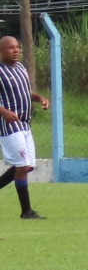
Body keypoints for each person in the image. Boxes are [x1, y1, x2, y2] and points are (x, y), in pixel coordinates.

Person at [0, 36, 49, 220]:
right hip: (10, 126)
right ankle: (26, 211)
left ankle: (26, 211)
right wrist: (4, 111)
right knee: (22, 165)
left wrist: (39, 98)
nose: (16, 51)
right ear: (1, 51)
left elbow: (25, 91)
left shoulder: (20, 68)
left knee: (27, 166)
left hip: (25, 123)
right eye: (11, 48)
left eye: (17, 47)